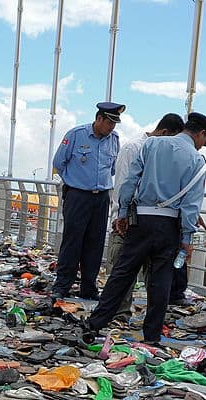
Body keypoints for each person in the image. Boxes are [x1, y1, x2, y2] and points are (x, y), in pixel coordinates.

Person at [82, 112, 206, 345]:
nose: (201, 146)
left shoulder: (152, 144)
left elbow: (130, 181)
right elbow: (191, 204)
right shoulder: (197, 162)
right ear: (202, 133)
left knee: (122, 274)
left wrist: (123, 212)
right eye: (203, 141)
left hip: (141, 221)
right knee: (160, 281)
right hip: (169, 226)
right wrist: (187, 238)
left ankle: (95, 324)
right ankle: (152, 336)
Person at [107, 113, 185, 316]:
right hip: (129, 220)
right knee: (123, 272)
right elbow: (123, 186)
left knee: (155, 274)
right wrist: (120, 216)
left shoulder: (164, 152)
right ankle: (119, 314)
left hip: (153, 223)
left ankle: (153, 318)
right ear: (165, 133)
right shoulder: (133, 148)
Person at [50, 102, 125, 300]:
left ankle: (89, 287)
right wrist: (73, 183)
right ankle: (62, 285)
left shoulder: (114, 139)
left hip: (101, 197)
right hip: (78, 196)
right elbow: (59, 163)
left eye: (114, 124)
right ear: (99, 119)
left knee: (95, 243)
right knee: (72, 241)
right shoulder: (76, 135)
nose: (112, 128)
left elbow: (112, 169)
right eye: (109, 123)